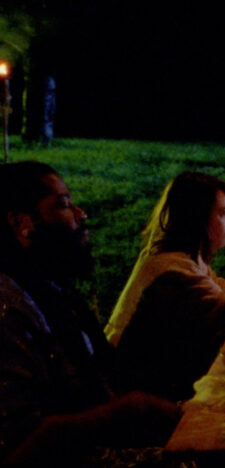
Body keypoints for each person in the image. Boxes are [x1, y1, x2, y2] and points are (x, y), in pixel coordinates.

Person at [0, 161, 179, 464]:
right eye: (63, 204)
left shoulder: (53, 291)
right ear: (22, 223)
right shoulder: (10, 310)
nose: (81, 214)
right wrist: (125, 411)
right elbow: (18, 446)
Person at [105, 171, 225, 402]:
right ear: (197, 218)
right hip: (132, 396)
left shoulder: (180, 259)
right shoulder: (172, 273)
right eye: (223, 213)